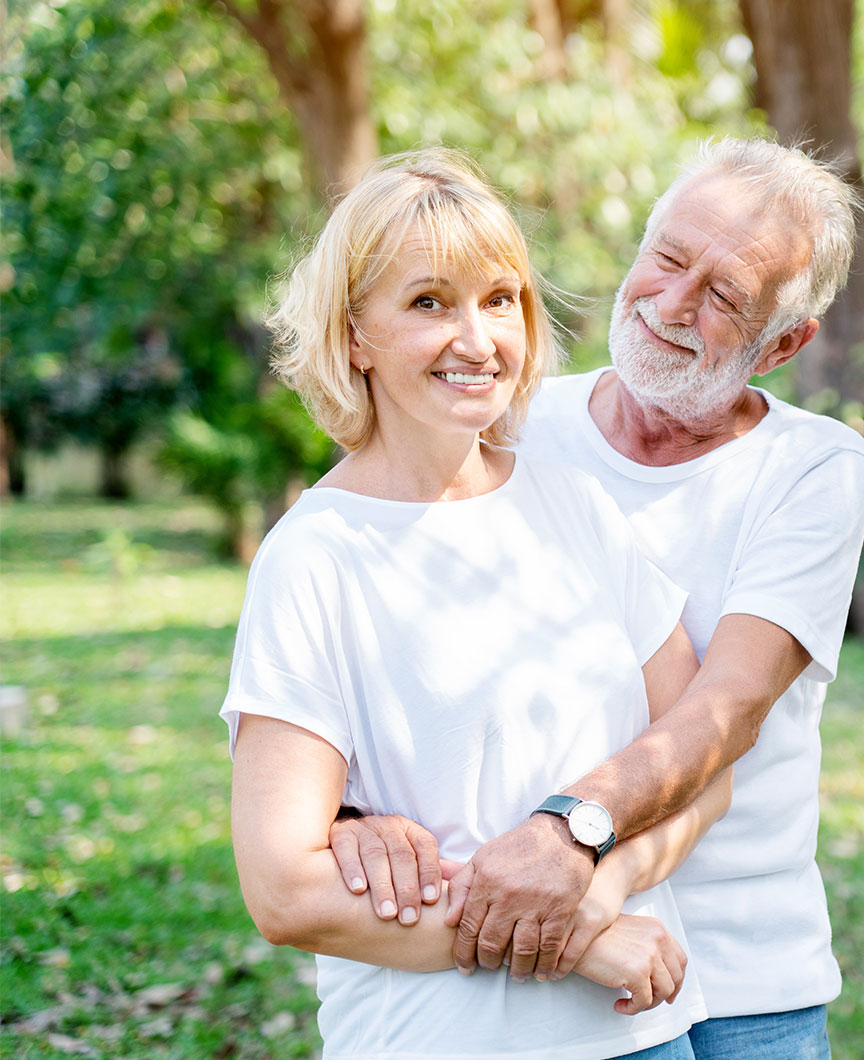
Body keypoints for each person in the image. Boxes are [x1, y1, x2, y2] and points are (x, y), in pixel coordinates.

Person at [332, 138, 864, 1059]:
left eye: (723, 297)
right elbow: (368, 611)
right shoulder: (508, 419)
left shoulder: (811, 468)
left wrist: (568, 833)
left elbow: (727, 709)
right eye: (667, 258)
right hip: (555, 972)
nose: (671, 304)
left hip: (744, 973)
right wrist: (354, 810)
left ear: (782, 344)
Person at [222, 147, 735, 1060]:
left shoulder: (573, 502)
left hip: (645, 1035)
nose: (478, 338)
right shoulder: (317, 557)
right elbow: (285, 891)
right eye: (429, 303)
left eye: (500, 299)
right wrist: (576, 945)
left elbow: (702, 768)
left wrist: (596, 896)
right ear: (353, 337)